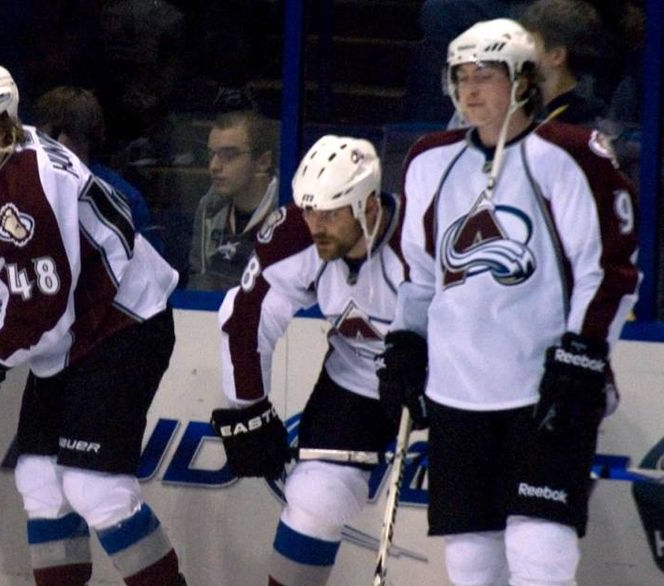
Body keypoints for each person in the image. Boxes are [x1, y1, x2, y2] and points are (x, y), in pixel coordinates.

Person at [386, 18, 639, 586]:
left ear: (524, 80)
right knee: (471, 560)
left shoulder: (572, 154)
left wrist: (584, 355)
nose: (471, 90)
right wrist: (405, 341)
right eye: (461, 77)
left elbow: (612, 270)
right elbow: (420, 275)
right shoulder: (430, 159)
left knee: (540, 552)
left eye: (486, 76)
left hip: (545, 387)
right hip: (458, 392)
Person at [0, 62, 187, 586]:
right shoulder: (9, 162)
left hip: (122, 330)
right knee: (40, 478)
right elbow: (22, 298)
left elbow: (42, 314)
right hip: (79, 338)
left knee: (95, 488)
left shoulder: (24, 187)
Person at [212, 135, 404, 586]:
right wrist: (251, 409)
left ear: (369, 206)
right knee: (314, 498)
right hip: (354, 381)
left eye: (332, 213)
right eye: (309, 209)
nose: (315, 224)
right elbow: (245, 318)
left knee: (480, 537)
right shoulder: (298, 235)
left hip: (451, 383)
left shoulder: (427, 238)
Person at [32, 85, 164, 253]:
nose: (39, 144)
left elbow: (152, 264)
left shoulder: (123, 197)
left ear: (68, 136)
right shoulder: (28, 185)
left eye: (46, 135)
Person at [188, 110, 279, 292]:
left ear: (263, 161)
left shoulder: (292, 212)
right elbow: (198, 279)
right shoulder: (208, 208)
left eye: (229, 156)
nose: (214, 166)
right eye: (211, 154)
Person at [520, 0, 607, 125]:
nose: (518, 51)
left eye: (528, 43)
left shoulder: (585, 122)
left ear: (557, 56)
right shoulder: (524, 106)